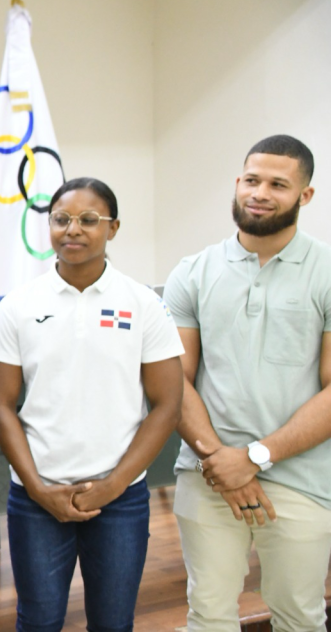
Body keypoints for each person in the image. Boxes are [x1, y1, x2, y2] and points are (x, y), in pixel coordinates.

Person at [0, 177, 185, 632]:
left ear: (113, 228)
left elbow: (166, 406)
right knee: (37, 621)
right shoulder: (18, 305)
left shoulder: (142, 304)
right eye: (61, 219)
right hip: (38, 497)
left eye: (89, 220)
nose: (72, 229)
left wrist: (114, 485)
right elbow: (0, 405)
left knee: (113, 624)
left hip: (119, 499)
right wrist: (36, 487)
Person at [164, 135, 331, 631]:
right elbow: (176, 381)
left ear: (305, 196)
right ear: (238, 183)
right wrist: (221, 460)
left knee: (300, 616)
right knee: (209, 615)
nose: (259, 193)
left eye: (278, 184)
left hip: (303, 480)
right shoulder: (192, 273)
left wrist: (255, 457)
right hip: (207, 471)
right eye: (251, 180)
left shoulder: (326, 272)